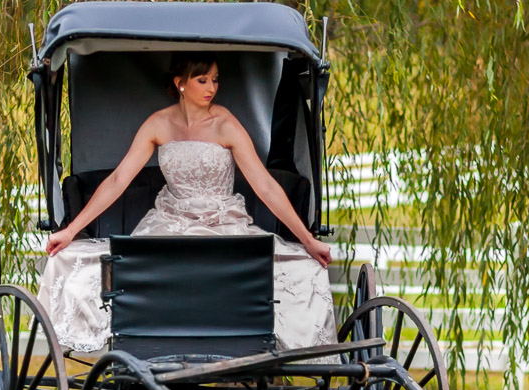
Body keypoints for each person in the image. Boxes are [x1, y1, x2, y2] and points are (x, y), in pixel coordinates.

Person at [38, 53, 337, 354]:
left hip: (221, 223)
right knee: (90, 262)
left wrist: (308, 239)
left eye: (215, 79)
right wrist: (71, 229)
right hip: (171, 222)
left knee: (300, 267)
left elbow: (266, 186)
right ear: (180, 83)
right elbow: (118, 181)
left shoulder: (225, 124)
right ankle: (153, 338)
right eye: (202, 79)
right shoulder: (158, 124)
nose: (211, 88)